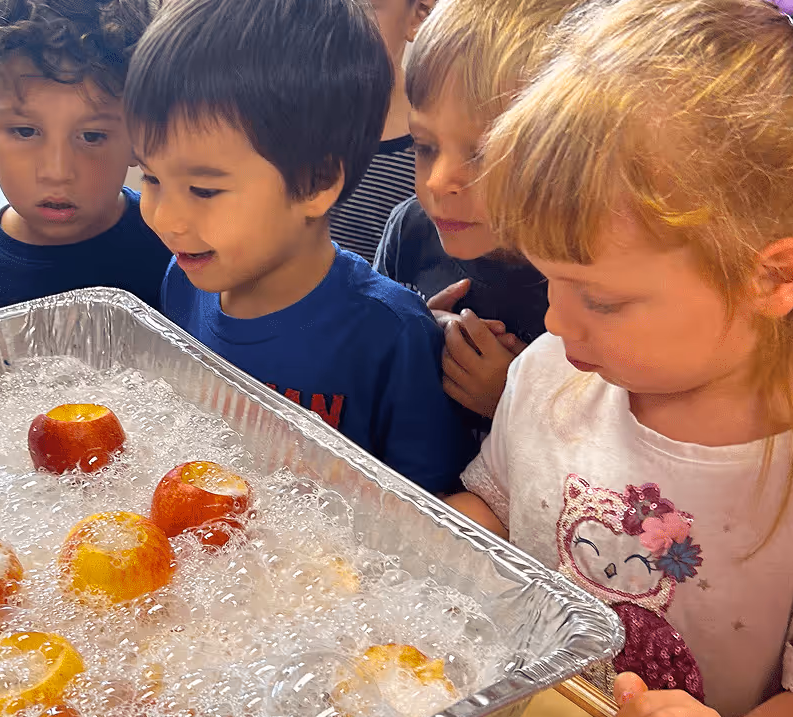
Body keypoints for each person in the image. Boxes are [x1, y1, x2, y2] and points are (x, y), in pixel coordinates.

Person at [449, 0, 793, 717]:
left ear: (774, 277)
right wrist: (426, 542)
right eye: (546, 278)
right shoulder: (556, 370)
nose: (551, 320)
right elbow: (499, 509)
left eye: (602, 299)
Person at [124, 0, 475, 495]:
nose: (164, 217)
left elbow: (424, 519)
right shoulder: (183, 279)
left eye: (203, 190)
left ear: (315, 184)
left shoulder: (389, 336)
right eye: (151, 177)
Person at [375, 0, 575, 423]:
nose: (436, 180)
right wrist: (412, 333)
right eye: (425, 147)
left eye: (484, 155)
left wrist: (512, 403)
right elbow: (364, 360)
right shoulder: (409, 229)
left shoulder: (585, 283)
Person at [0, 0, 170, 320]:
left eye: (92, 136)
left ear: (139, 135)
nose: (57, 172)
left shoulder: (176, 247)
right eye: (25, 131)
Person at [328, 0, 435, 264]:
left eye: (363, 5)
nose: (332, 22)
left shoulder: (436, 144)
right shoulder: (285, 124)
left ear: (418, 17)